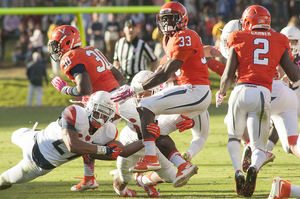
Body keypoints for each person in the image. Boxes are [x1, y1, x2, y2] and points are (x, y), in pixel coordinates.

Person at [111, 2, 212, 175]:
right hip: (189, 93)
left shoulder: (185, 36)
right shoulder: (169, 40)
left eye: (171, 18)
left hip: (195, 90)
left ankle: (151, 158)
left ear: (182, 19)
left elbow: (165, 74)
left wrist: (135, 88)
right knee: (155, 131)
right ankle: (182, 166)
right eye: (164, 19)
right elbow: (161, 71)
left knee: (145, 105)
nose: (167, 23)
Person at [216, 5, 300, 197]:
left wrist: (221, 92)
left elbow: (228, 74)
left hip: (242, 90)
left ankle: (238, 171)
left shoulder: (237, 37)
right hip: (264, 93)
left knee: (233, 137)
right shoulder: (280, 39)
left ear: (247, 22)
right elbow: (294, 75)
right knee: (259, 146)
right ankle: (254, 166)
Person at [73, 71, 199, 195]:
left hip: (152, 146)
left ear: (156, 92)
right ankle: (121, 189)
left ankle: (143, 180)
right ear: (134, 94)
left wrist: (191, 121)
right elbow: (103, 109)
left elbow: (192, 107)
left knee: (171, 177)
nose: (143, 98)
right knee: (124, 180)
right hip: (129, 143)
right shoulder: (125, 105)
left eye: (148, 94)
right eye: (140, 94)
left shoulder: (164, 102)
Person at [0, 91, 141, 191]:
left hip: (37, 163)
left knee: (4, 180)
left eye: (106, 114)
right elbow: (73, 146)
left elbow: (123, 151)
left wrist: (148, 139)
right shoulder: (75, 112)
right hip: (34, 138)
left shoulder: (108, 131)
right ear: (90, 106)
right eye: (99, 111)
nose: (102, 117)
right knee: (15, 134)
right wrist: (105, 150)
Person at [48, 25, 124, 97]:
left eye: (57, 45)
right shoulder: (92, 49)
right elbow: (119, 77)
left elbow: (85, 90)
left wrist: (66, 89)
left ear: (68, 42)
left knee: (69, 111)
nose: (56, 49)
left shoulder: (71, 56)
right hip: (119, 96)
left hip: (104, 103)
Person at [113, 19, 158, 85]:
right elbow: (116, 61)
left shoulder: (142, 44)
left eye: (133, 28)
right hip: (124, 79)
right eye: (129, 28)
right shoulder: (119, 43)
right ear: (124, 30)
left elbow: (154, 60)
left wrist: (150, 76)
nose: (131, 30)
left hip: (138, 79)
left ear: (136, 30)